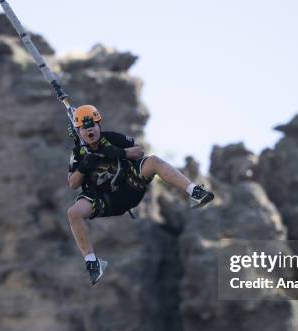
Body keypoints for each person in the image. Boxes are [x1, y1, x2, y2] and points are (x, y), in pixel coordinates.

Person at [67, 105, 215, 285]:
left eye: (93, 126)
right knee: (73, 213)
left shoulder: (112, 138)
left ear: (99, 125)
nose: (90, 130)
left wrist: (117, 152)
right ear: (79, 132)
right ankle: (92, 262)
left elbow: (139, 152)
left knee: (153, 161)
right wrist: (83, 166)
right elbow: (73, 183)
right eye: (85, 128)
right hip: (106, 200)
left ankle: (195, 191)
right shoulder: (78, 153)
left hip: (130, 187)